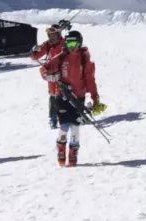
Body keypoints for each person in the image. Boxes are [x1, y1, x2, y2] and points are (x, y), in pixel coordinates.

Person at [41, 28, 102, 167]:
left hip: (78, 97)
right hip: (62, 95)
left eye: (74, 45)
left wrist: (95, 97)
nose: (72, 48)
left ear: (79, 44)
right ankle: (61, 148)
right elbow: (44, 68)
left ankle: (73, 151)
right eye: (69, 44)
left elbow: (90, 80)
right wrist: (49, 76)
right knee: (64, 124)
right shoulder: (61, 57)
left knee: (75, 125)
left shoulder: (84, 59)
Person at [31, 24, 66, 129]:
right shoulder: (47, 45)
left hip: (64, 73)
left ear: (58, 34)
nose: (51, 38)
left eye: (53, 35)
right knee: (53, 96)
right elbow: (35, 57)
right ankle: (53, 119)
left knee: (65, 95)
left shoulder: (65, 43)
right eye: (49, 35)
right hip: (52, 74)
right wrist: (34, 51)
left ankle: (67, 117)